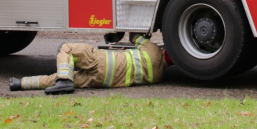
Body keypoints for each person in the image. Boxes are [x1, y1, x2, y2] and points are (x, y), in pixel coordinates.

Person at [9, 34, 167, 95]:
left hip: (102, 61)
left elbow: (135, 36)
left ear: (165, 52)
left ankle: (64, 80)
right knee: (55, 79)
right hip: (105, 82)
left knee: (67, 48)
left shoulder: (153, 50)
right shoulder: (159, 77)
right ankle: (20, 83)